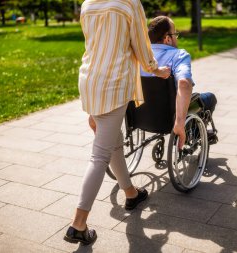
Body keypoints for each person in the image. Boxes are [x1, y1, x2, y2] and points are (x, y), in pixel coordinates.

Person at [63, 0, 170, 245]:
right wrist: (157, 70)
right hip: (113, 83)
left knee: (113, 141)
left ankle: (131, 193)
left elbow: (93, 42)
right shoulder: (129, 3)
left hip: (89, 80)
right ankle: (78, 224)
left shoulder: (88, 3)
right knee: (100, 155)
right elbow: (142, 46)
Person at [141, 16, 218, 146]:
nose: (176, 37)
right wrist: (180, 122)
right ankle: (193, 132)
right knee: (210, 98)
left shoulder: (140, 57)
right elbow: (184, 83)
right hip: (170, 116)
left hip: (141, 116)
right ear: (168, 38)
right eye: (175, 34)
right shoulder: (178, 55)